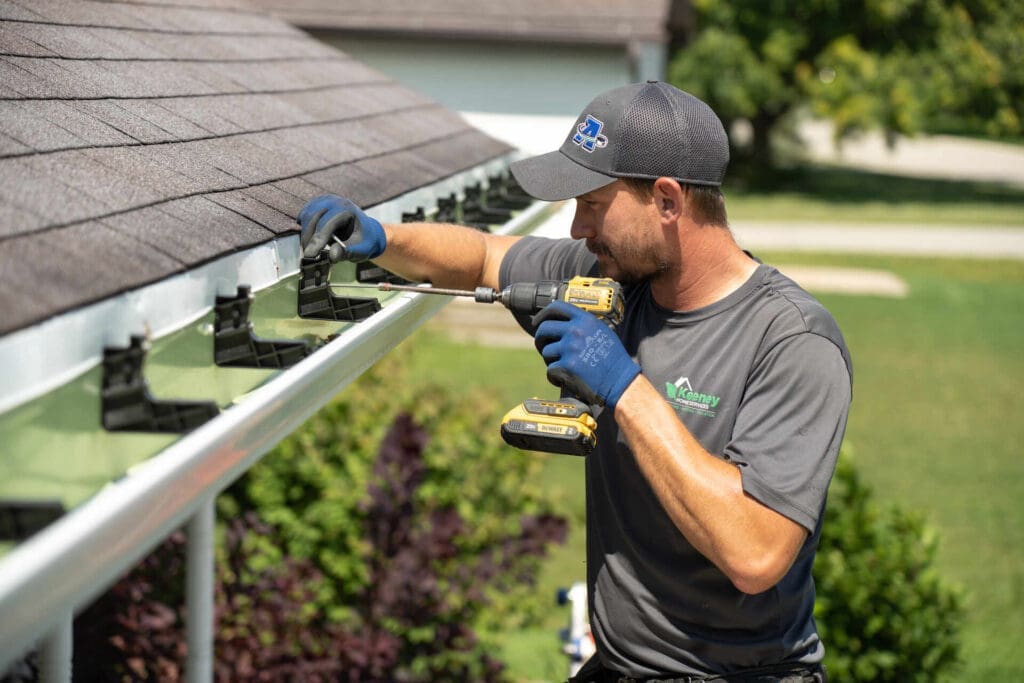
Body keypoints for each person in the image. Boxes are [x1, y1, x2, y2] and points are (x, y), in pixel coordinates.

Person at [297, 81, 852, 683]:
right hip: (620, 667)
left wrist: (625, 386)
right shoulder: (611, 274)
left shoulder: (792, 341)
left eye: (592, 203)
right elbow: (483, 256)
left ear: (667, 201)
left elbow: (755, 554)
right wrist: (382, 240)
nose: (576, 229)